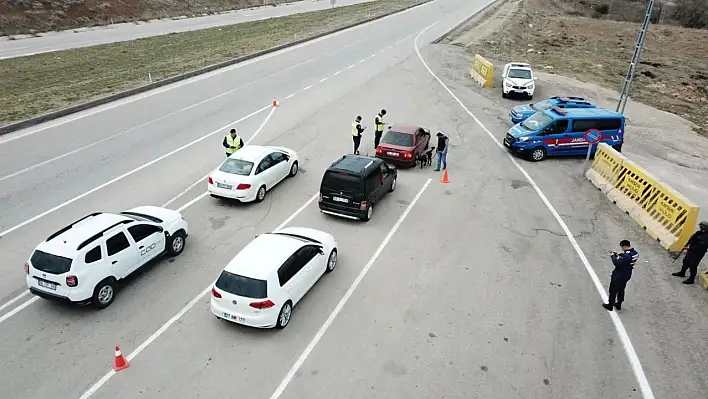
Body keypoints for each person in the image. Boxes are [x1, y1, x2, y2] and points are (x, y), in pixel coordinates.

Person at [602, 239, 639, 311]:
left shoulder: (626, 256)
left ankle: (610, 305)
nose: (622, 249)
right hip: (627, 274)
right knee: (621, 289)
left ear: (624, 246)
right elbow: (627, 258)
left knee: (613, 290)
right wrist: (619, 254)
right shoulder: (635, 253)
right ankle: (619, 304)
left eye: (622, 247)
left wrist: (612, 256)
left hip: (619, 274)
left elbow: (616, 263)